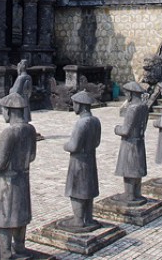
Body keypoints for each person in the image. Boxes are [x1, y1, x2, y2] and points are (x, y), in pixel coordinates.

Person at [0, 90, 37, 260]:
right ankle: (20, 246)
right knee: (20, 214)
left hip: (7, 182)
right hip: (23, 178)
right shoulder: (30, 130)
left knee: (4, 217)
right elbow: (32, 156)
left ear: (8, 111)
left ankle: (5, 252)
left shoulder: (9, 133)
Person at [59, 90, 101, 232]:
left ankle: (78, 220)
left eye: (75, 104)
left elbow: (74, 146)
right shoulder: (95, 121)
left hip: (78, 161)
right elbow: (97, 142)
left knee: (76, 190)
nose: (73, 106)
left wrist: (65, 145)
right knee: (88, 188)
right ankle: (88, 218)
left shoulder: (81, 123)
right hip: (90, 158)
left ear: (81, 106)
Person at [114, 81, 149, 205]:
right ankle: (136, 192)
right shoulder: (144, 106)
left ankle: (129, 194)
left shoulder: (132, 108)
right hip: (139, 140)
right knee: (136, 168)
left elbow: (126, 130)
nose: (126, 95)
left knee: (129, 169)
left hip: (130, 143)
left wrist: (117, 129)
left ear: (131, 93)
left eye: (127, 93)